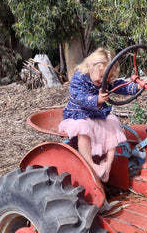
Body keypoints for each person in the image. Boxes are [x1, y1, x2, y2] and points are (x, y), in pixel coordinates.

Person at [58, 48, 142, 182]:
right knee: (82, 126)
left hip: (96, 115)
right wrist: (96, 100)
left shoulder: (105, 80)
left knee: (113, 121)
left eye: (108, 78)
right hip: (78, 115)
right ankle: (90, 164)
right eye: (102, 77)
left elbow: (120, 86)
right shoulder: (78, 78)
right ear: (91, 67)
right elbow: (78, 97)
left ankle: (107, 165)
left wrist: (136, 87)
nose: (104, 81)